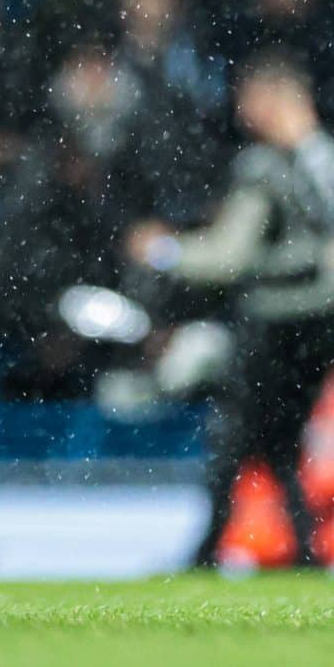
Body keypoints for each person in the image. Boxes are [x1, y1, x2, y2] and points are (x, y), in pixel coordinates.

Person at [126, 53, 334, 569]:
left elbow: (229, 257)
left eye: (252, 99)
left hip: (275, 326)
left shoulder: (266, 168)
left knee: (237, 438)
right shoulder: (316, 160)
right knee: (278, 443)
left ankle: (205, 555)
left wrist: (165, 252)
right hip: (317, 326)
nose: (244, 112)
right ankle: (303, 552)